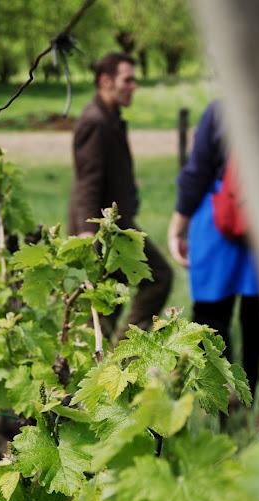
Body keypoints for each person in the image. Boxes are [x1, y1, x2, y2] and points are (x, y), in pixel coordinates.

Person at [168, 100, 259, 394]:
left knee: (211, 318)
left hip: (216, 222)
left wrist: (177, 226)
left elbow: (197, 171)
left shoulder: (222, 109)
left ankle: (218, 398)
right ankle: (255, 398)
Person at [69, 51, 172, 333]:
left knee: (108, 304)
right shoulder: (95, 121)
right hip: (105, 233)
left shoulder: (110, 116)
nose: (133, 86)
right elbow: (86, 181)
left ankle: (113, 362)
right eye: (127, 80)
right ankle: (122, 355)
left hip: (118, 228)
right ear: (105, 81)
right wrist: (88, 232)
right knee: (157, 277)